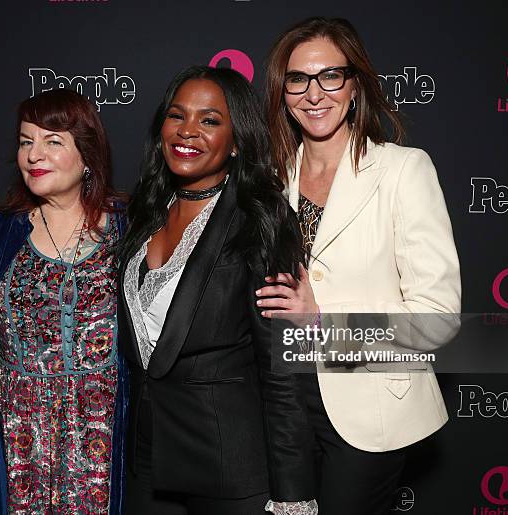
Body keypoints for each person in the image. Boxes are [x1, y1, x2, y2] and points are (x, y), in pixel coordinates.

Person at [256, 17, 462, 514]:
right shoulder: (267, 180)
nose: (314, 93)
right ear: (283, 92)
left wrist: (322, 325)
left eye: (331, 75)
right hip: (282, 408)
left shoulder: (403, 170)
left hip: (369, 410)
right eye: (298, 79)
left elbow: (438, 319)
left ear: (354, 85)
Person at [118, 65, 317, 515]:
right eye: (176, 115)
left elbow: (281, 370)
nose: (188, 131)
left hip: (230, 468)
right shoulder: (146, 210)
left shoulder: (260, 219)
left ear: (236, 140)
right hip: (148, 461)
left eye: (209, 120)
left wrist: (293, 494)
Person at [0, 89, 128, 515]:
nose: (33, 155)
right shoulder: (1, 233)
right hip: (17, 434)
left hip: (101, 434)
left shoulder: (128, 230)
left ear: (87, 154)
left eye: (52, 141)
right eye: (26, 141)